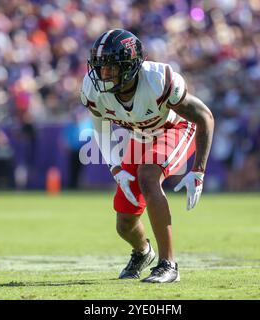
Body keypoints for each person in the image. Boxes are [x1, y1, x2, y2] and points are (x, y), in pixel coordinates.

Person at [80, 29, 215, 283]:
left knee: (148, 175)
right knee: (124, 222)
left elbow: (204, 117)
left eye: (110, 68)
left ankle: (169, 265)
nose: (103, 74)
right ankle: (143, 252)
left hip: (174, 127)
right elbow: (100, 125)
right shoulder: (93, 88)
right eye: (100, 67)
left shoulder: (157, 80)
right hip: (142, 134)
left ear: (130, 66)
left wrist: (198, 171)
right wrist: (116, 168)